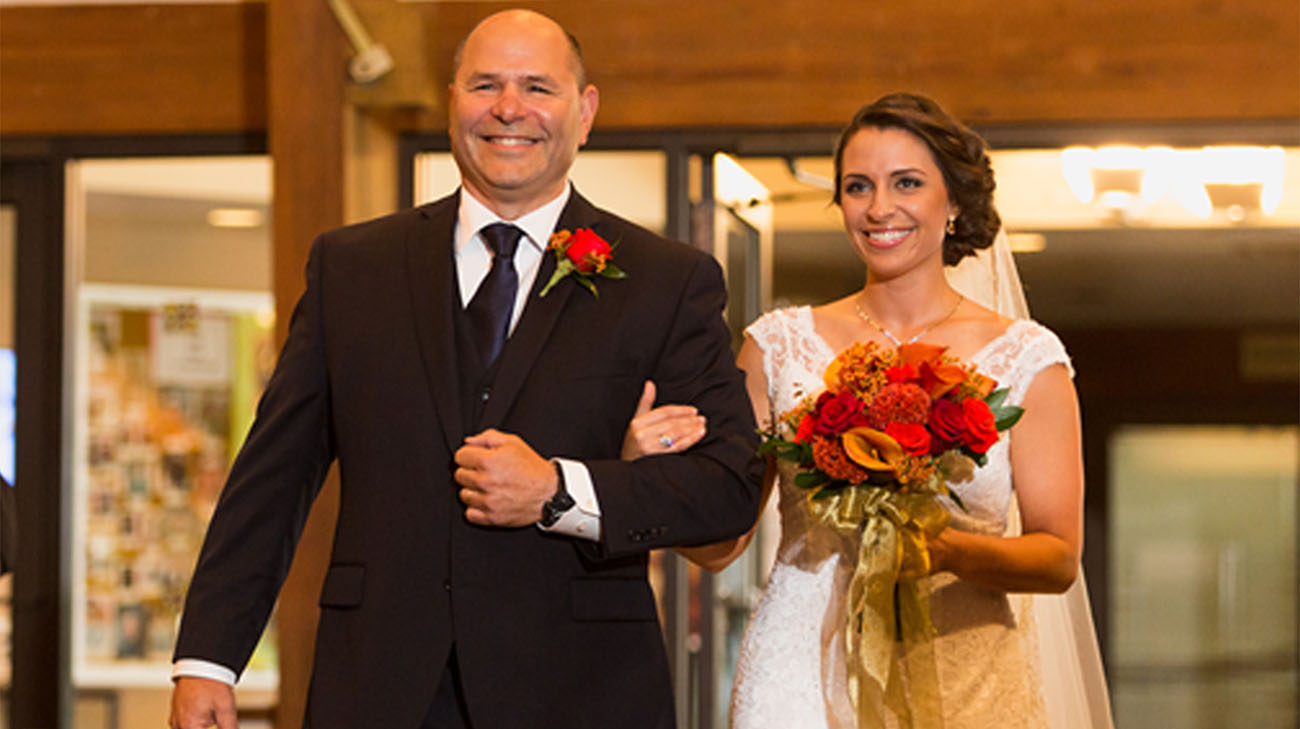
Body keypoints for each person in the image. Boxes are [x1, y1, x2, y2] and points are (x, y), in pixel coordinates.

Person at [168, 9, 763, 729]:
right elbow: (272, 476)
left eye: (538, 87)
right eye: (486, 84)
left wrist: (558, 488)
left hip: (580, 692)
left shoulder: (667, 280)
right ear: (452, 100)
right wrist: (208, 659)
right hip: (380, 686)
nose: (510, 108)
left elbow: (728, 490)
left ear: (585, 112)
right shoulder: (352, 269)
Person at [629, 93, 1112, 728]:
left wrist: (942, 549)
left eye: (906, 183)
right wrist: (646, 479)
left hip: (964, 672)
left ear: (955, 203)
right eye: (859, 187)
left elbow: (1056, 558)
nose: (880, 208)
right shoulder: (776, 346)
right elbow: (726, 543)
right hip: (801, 669)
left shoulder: (1027, 358)